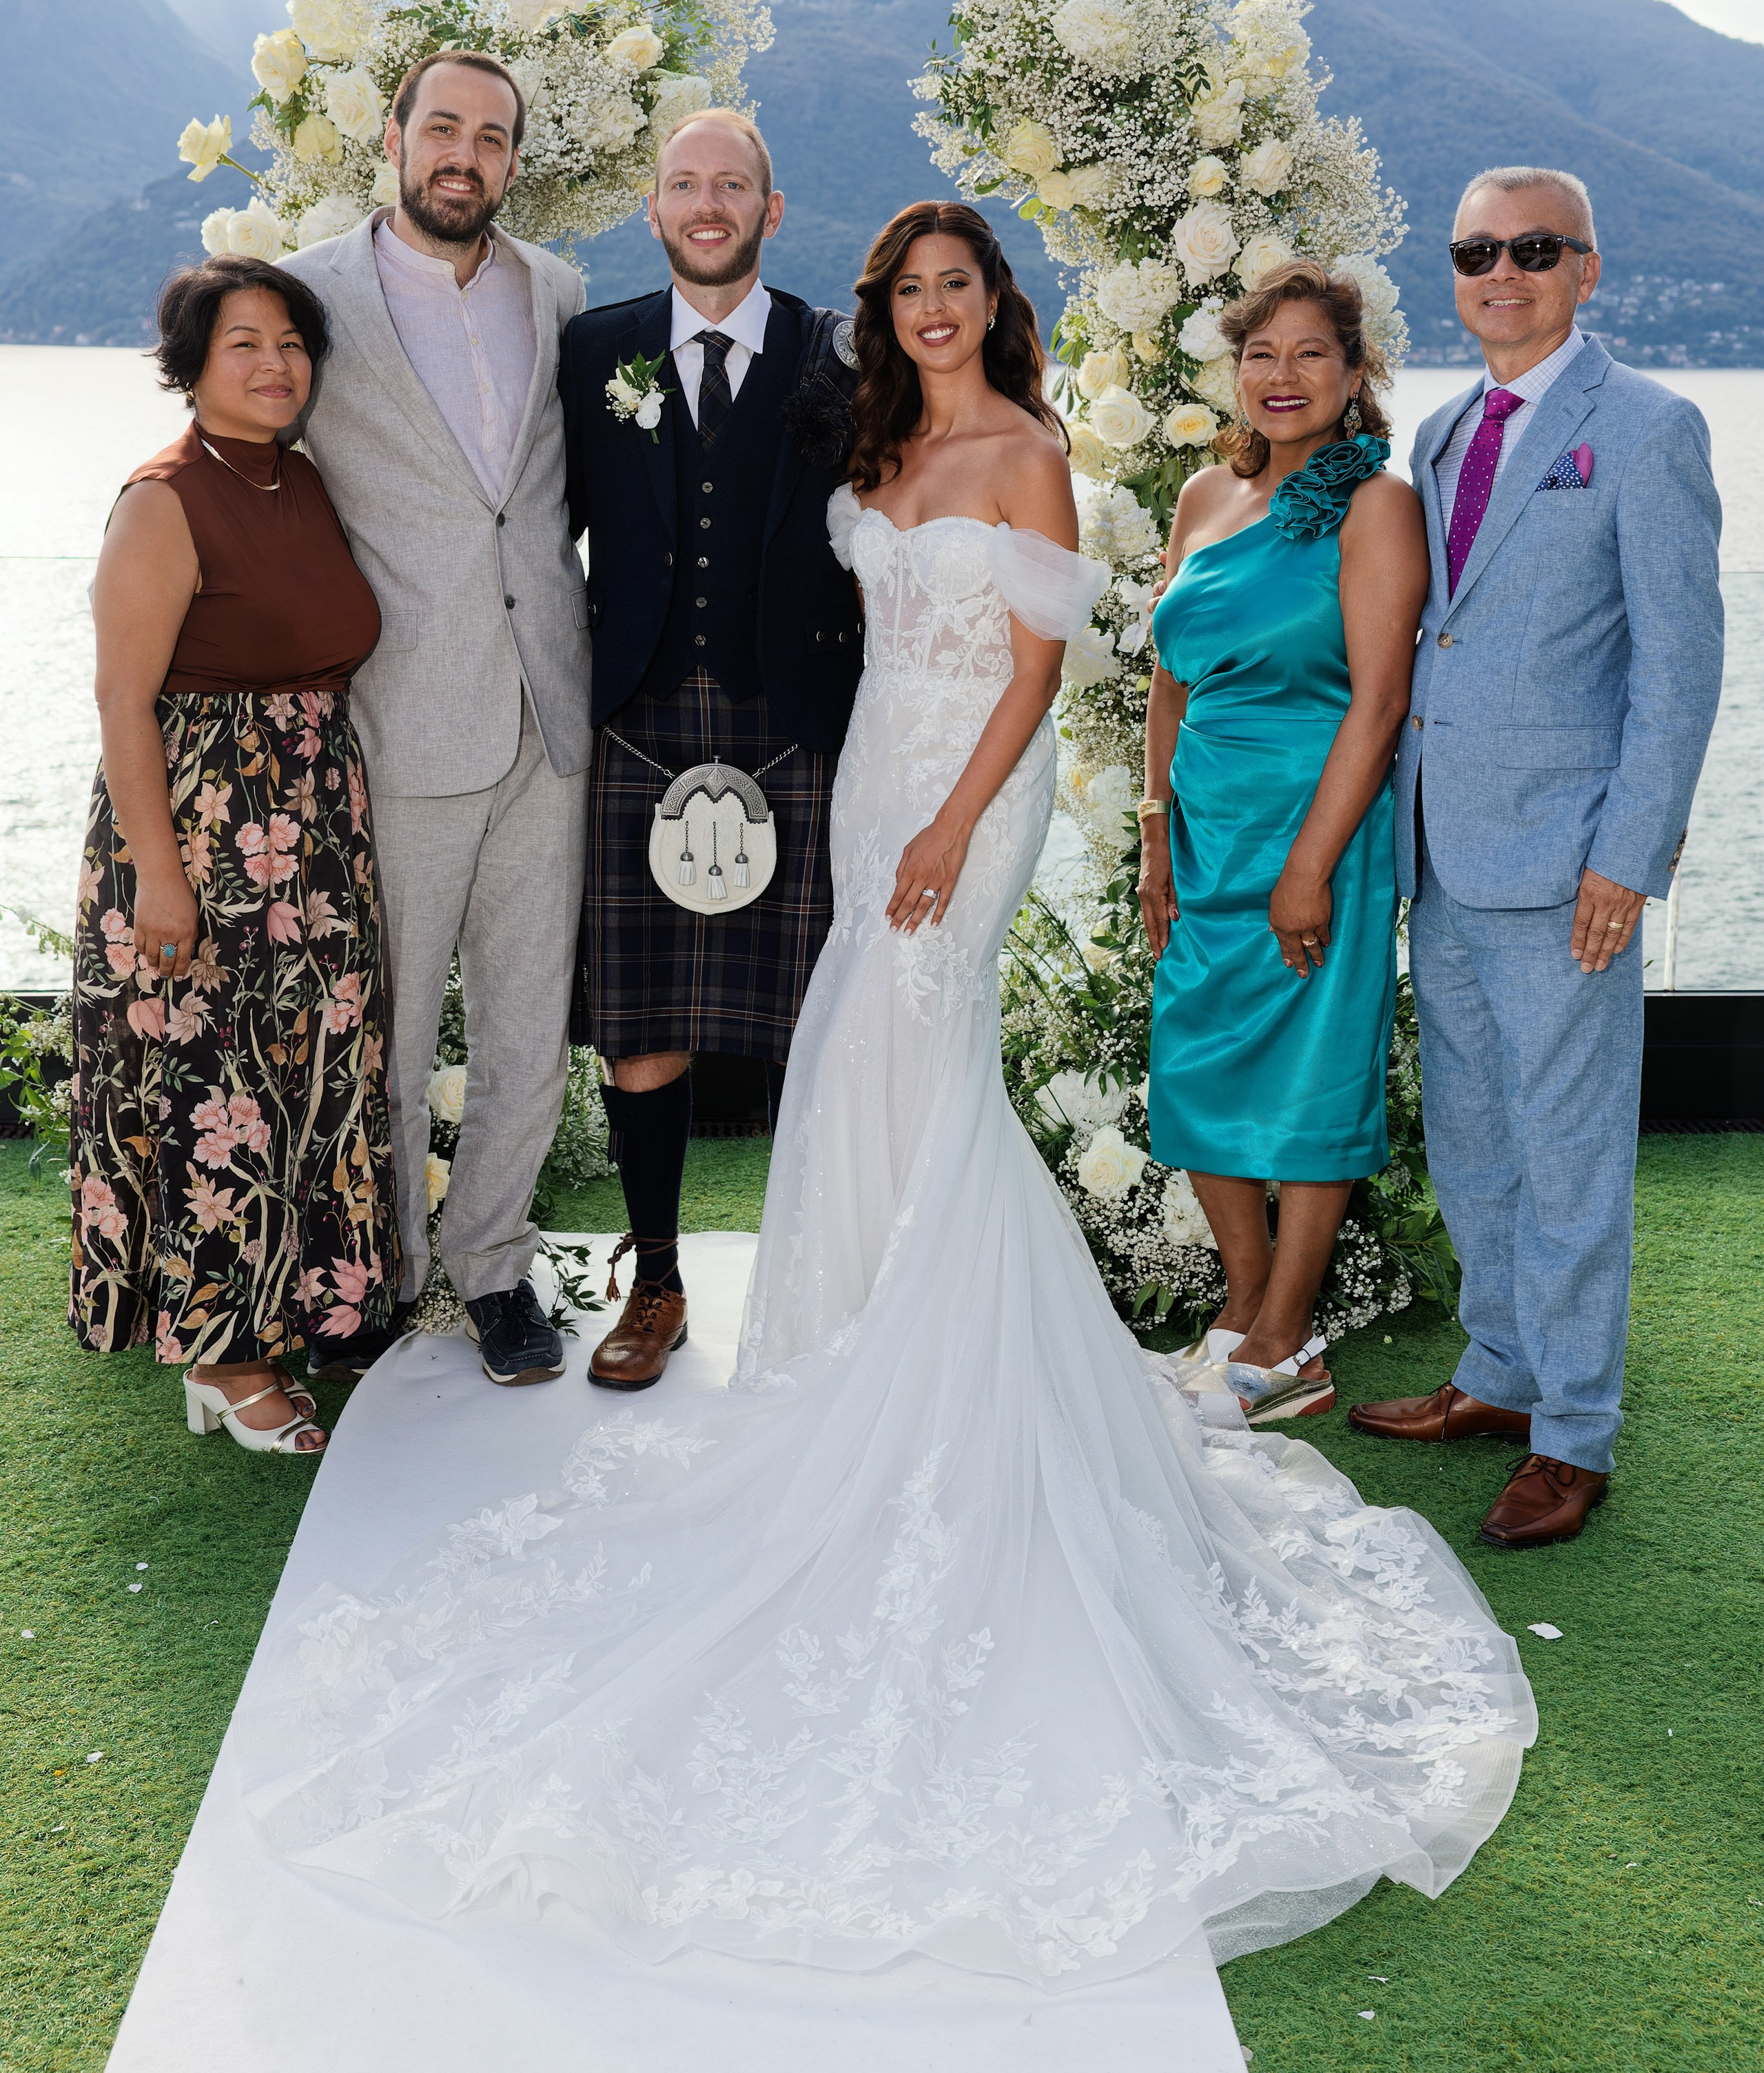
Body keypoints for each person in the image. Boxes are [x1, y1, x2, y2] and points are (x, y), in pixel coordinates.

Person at [241, 202, 1534, 1990]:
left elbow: (1037, 672)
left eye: (957, 286)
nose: (933, 311)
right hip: (866, 780)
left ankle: (952, 1399)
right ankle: (849, 1353)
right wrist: (865, 796)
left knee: (922, 1061)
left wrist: (946, 827)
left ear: (996, 303)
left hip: (965, 802)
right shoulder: (877, 442)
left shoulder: (1026, 452)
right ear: (889, 312)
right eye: (909, 291)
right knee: (853, 1062)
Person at [1350, 167, 1723, 1546]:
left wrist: (1627, 857)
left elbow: (1678, 669)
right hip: (1441, 852)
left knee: (1567, 1155)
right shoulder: (1444, 431)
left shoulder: (1647, 427)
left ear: (1585, 268)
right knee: (1473, 1139)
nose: (1499, 272)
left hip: (1570, 868)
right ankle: (1500, 1375)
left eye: (1531, 248)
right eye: (1474, 252)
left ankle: (1573, 1433)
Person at [288, 52, 592, 1390]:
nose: (464, 154)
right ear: (397, 138)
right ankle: (382, 1272)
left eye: (491, 136)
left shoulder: (560, 293)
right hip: (404, 715)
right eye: (443, 128)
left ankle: (494, 1268)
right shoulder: (310, 295)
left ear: (514, 160)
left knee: (528, 1028)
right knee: (393, 1032)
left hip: (552, 714)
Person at [69, 258, 398, 1454]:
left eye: (292, 343)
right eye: (244, 343)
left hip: (313, 832)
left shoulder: (298, 478)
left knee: (310, 1077)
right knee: (214, 1093)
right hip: (203, 836)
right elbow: (122, 701)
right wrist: (159, 877)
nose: (275, 364)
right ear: (192, 365)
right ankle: (222, 1356)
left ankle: (297, 1312)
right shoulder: (163, 499)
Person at [558, 109, 862, 1390]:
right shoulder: (594, 349)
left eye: (731, 184)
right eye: (684, 184)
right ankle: (659, 1282)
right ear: (654, 207)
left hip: (794, 722)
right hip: (633, 719)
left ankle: (817, 1293)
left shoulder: (839, 354)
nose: (707, 204)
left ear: (769, 210)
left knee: (815, 1017)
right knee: (642, 1021)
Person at [1138, 262, 1428, 1421]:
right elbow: (1169, 680)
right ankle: (1248, 1311)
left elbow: (1381, 701)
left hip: (1321, 825)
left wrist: (1309, 865)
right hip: (1205, 830)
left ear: (1355, 374)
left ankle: (1289, 1335)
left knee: (1314, 1071)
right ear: (1237, 372)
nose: (1283, 374)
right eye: (1262, 354)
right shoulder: (1204, 496)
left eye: (1312, 353)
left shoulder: (1378, 505)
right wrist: (1155, 832)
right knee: (1192, 1058)